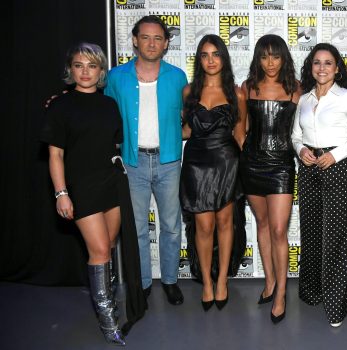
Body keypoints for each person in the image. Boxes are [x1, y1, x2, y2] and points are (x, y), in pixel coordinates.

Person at [41, 43, 146, 346]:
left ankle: (109, 300)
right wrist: (61, 193)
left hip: (110, 183)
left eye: (92, 66)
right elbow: (56, 155)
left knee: (110, 245)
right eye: (78, 65)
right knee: (99, 250)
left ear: (101, 71)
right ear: (70, 70)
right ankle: (108, 320)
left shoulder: (108, 105)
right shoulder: (60, 106)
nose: (85, 72)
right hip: (80, 187)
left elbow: (112, 145)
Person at [104, 15, 187, 305]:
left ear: (166, 43)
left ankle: (170, 280)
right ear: (135, 40)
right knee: (137, 227)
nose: (152, 43)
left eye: (158, 38)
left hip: (168, 162)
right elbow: (97, 110)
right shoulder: (115, 77)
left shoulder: (178, 77)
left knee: (171, 225)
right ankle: (141, 283)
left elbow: (190, 116)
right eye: (146, 37)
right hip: (133, 162)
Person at [291, 43, 347, 327]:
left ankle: (336, 306)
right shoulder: (304, 99)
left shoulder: (346, 96)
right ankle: (312, 293)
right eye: (316, 63)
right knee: (311, 231)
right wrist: (301, 150)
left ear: (337, 68)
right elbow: (295, 135)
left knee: (335, 238)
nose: (321, 68)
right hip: (309, 169)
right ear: (310, 67)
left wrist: (334, 155)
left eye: (328, 63)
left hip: (337, 169)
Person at [180, 34, 247, 312]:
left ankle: (222, 281)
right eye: (205, 55)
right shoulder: (188, 92)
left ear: (224, 58)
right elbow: (186, 130)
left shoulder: (237, 93)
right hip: (196, 162)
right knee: (203, 226)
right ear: (199, 60)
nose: (210, 60)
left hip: (227, 162)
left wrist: (239, 170)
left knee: (224, 223)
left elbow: (241, 136)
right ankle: (206, 281)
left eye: (216, 54)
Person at [239, 34, 301, 323]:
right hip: (252, 164)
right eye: (264, 56)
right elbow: (241, 128)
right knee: (262, 225)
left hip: (281, 166)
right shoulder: (248, 87)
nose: (270, 62)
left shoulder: (296, 89)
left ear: (283, 58)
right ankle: (269, 283)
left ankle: (281, 294)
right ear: (258, 59)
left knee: (278, 230)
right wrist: (244, 153)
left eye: (275, 56)